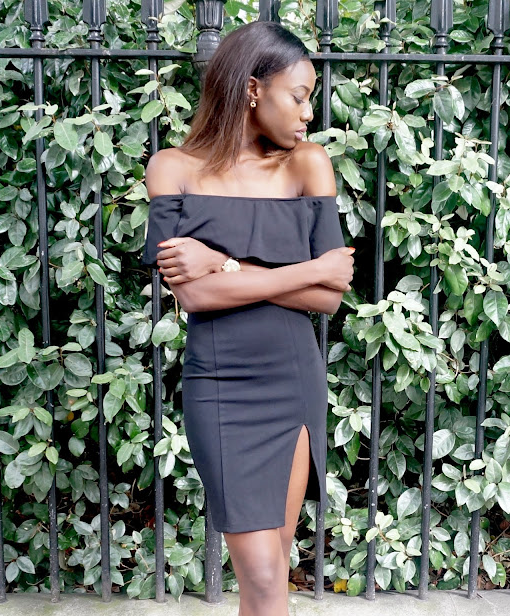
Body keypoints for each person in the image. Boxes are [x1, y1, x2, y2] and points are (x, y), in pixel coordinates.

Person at [141, 20, 355, 616]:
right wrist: (305, 271)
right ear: (253, 89)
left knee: (273, 570)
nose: (308, 113)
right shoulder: (172, 168)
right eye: (300, 96)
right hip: (220, 386)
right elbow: (194, 297)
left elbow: (329, 297)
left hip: (292, 382)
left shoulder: (307, 164)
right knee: (261, 576)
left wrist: (222, 263)